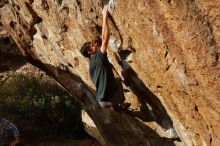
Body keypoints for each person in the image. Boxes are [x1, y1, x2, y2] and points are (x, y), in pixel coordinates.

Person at [80, 6, 125, 108]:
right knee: (117, 80)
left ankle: (115, 105)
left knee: (112, 84)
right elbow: (105, 38)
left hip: (100, 101)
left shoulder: (91, 64)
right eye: (92, 45)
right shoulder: (99, 57)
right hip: (109, 100)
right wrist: (104, 17)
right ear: (90, 51)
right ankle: (121, 104)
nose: (94, 45)